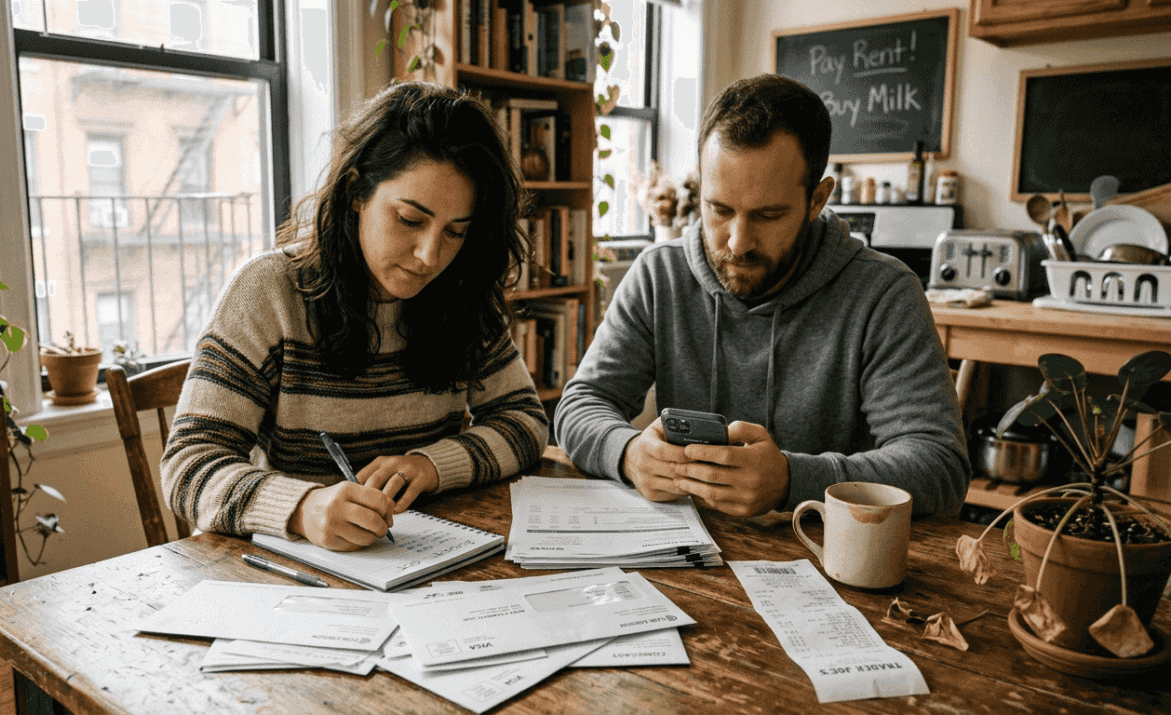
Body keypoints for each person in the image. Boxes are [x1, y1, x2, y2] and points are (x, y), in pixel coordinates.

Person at [554, 74, 968, 518]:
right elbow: (580, 405)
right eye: (719, 210)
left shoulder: (883, 295)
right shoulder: (660, 275)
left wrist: (792, 479)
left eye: (768, 215)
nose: (737, 243)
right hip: (686, 554)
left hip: (829, 561)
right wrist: (628, 452)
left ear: (818, 200)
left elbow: (939, 466)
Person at [162, 81, 548, 551]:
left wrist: (430, 465)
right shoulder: (270, 290)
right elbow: (188, 467)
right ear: (356, 192)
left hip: (425, 562)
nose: (429, 255)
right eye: (409, 219)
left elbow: (525, 421)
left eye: (455, 232)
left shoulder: (461, 292)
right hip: (298, 575)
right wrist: (303, 508)